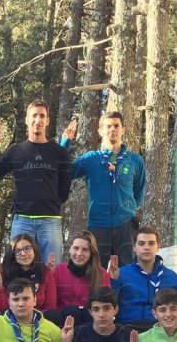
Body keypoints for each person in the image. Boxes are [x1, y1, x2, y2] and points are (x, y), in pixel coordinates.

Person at [0, 100, 72, 261]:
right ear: (26, 119)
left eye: (42, 116)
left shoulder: (60, 153)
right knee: (17, 271)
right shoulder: (15, 151)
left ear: (48, 121)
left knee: (52, 271)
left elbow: (64, 190)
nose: (38, 120)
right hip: (22, 221)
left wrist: (48, 203)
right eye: (34, 115)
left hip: (50, 221)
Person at [60, 112, 146, 266]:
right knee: (96, 275)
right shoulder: (90, 159)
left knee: (127, 274)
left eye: (116, 126)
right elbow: (64, 172)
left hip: (125, 227)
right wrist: (65, 143)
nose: (112, 129)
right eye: (108, 126)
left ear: (123, 129)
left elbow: (138, 193)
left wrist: (127, 209)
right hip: (98, 227)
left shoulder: (135, 160)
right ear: (100, 131)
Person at [111, 227, 177, 329]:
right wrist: (113, 281)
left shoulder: (172, 277)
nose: (146, 247)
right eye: (141, 243)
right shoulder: (121, 274)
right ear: (134, 247)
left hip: (160, 330)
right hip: (128, 328)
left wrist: (168, 326)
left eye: (151, 243)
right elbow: (109, 306)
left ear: (158, 246)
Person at [50, 231, 111, 322]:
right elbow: (52, 303)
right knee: (72, 311)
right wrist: (47, 275)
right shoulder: (59, 270)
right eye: (76, 248)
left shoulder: (101, 274)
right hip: (66, 319)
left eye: (85, 250)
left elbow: (107, 303)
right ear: (70, 249)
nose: (79, 253)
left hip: (91, 320)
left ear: (91, 253)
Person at [62, 286, 132, 342]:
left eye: (106, 308)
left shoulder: (127, 335)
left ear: (116, 309)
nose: (101, 315)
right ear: (90, 312)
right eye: (96, 309)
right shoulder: (76, 333)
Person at [0, 234, 56, 313]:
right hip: (12, 321)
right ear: (12, 254)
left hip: (40, 321)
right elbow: (2, 310)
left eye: (27, 248)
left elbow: (50, 308)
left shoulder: (45, 273)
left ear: (34, 250)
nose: (23, 254)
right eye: (17, 251)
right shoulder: (5, 275)